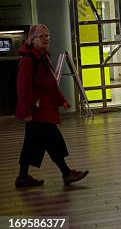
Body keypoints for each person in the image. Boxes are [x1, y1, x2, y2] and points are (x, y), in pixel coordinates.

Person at [14, 24, 89, 188]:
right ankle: (66, 173)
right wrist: (26, 111)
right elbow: (23, 88)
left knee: (34, 143)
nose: (46, 39)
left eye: (47, 35)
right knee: (52, 140)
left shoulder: (42, 57)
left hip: (43, 108)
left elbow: (50, 83)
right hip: (37, 110)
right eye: (41, 36)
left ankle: (23, 176)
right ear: (32, 40)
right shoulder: (28, 61)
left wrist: (61, 99)